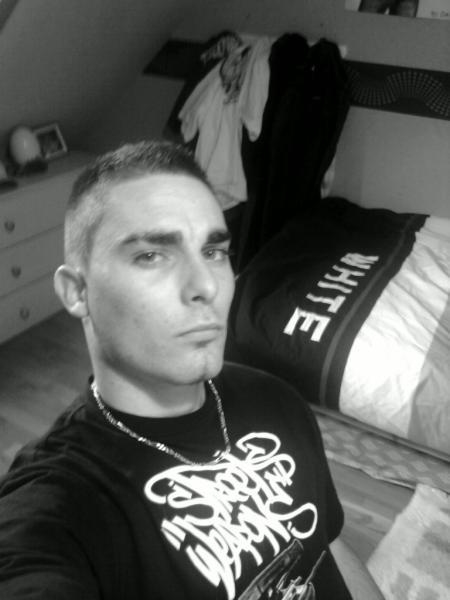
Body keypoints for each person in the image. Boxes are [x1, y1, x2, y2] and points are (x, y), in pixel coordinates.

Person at [0, 140, 383, 599]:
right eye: (151, 255)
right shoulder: (59, 505)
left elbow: (327, 542)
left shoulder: (277, 399)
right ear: (77, 292)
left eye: (214, 251)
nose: (206, 286)